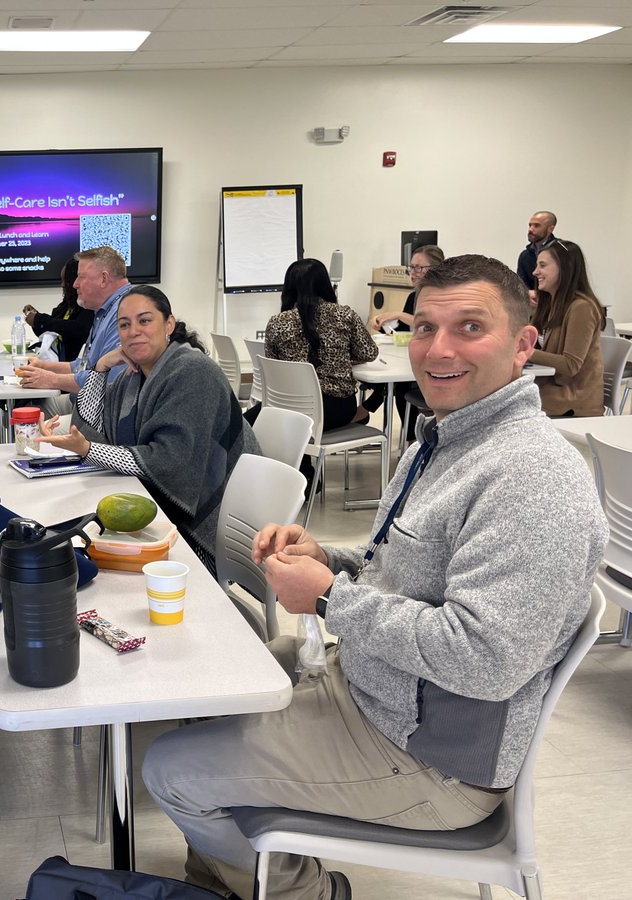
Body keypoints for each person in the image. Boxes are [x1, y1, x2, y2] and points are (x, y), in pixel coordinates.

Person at [142, 255, 607, 900]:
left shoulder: (532, 479)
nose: (437, 350)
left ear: (524, 345)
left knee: (169, 770)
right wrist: (327, 558)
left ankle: (299, 892)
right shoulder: (443, 440)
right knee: (203, 691)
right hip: (372, 688)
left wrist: (330, 597)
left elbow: (486, 659)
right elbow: (406, 568)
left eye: (470, 327)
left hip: (431, 757)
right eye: (423, 328)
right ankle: (239, 870)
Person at [37, 285, 259, 575]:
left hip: (207, 533)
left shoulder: (192, 371)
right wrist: (102, 367)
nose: (133, 332)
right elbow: (93, 427)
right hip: (163, 511)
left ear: (169, 324)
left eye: (144, 321)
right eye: (124, 325)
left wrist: (87, 450)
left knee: (93, 569)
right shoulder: (136, 375)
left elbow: (169, 462)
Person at [261, 258, 378, 431]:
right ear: (325, 284)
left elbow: (273, 364)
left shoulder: (277, 322)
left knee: (242, 425)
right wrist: (342, 358)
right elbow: (369, 352)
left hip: (291, 405)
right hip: (337, 408)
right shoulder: (344, 314)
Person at [17, 246, 134, 414]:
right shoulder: (105, 310)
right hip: (84, 401)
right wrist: (44, 366)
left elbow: (110, 381)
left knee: (30, 424)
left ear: (103, 279)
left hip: (103, 413)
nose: (74, 284)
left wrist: (51, 379)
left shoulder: (125, 312)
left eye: (81, 277)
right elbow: (86, 365)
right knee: (26, 408)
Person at [365, 245, 445, 437]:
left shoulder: (442, 298)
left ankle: (407, 436)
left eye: (419, 268)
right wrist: (386, 327)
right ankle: (408, 437)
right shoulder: (413, 296)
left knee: (399, 386)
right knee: (392, 382)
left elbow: (433, 325)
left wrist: (400, 315)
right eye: (411, 267)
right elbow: (404, 331)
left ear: (435, 269)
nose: (413, 273)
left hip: (436, 362)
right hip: (412, 359)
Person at [528, 239, 605, 417]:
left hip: (573, 400)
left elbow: (571, 365)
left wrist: (525, 351)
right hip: (551, 390)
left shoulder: (581, 307)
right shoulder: (549, 304)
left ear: (564, 268)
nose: (535, 272)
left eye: (543, 265)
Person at [21, 257, 96, 362]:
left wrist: (40, 320)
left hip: (72, 368)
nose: (62, 285)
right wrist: (35, 319)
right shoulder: (66, 305)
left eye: (66, 280)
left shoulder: (89, 306)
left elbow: (78, 329)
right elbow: (52, 331)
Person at [516, 210, 560, 291]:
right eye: (530, 225)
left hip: (558, 300)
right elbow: (521, 284)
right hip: (532, 302)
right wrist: (528, 294)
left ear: (550, 229)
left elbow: (569, 281)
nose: (530, 230)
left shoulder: (561, 251)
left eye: (536, 226)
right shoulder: (525, 255)